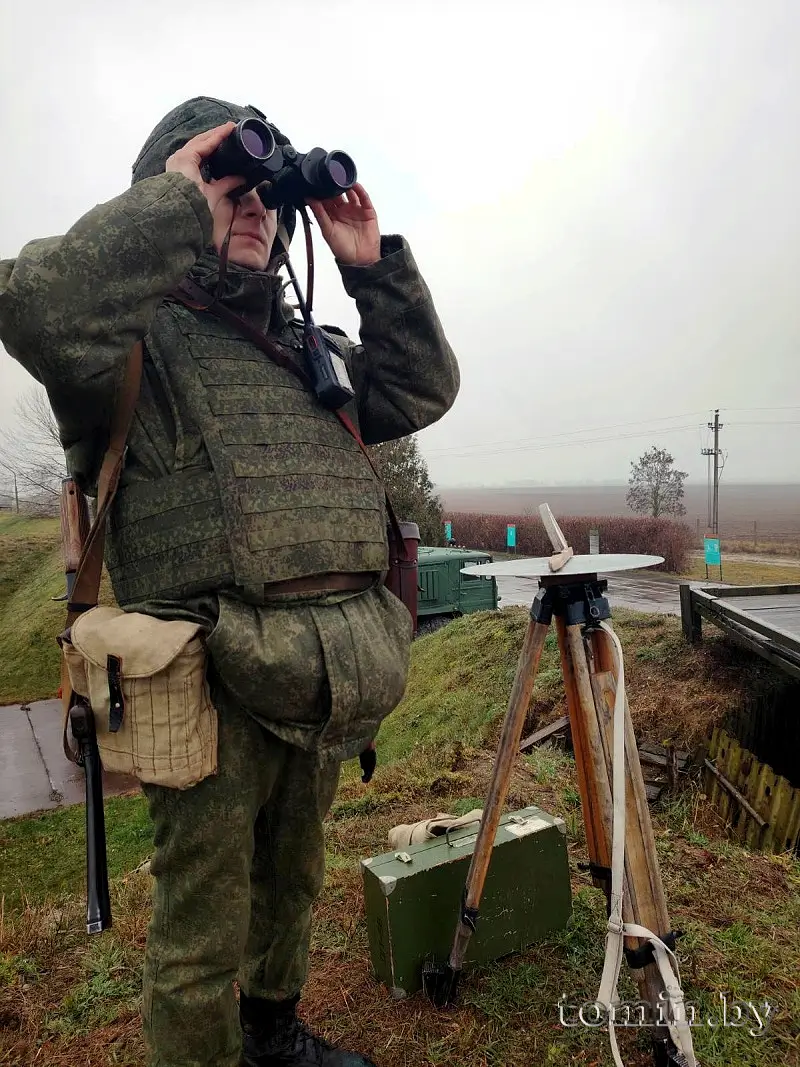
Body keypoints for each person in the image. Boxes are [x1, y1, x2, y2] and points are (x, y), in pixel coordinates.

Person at [0, 97, 459, 1067]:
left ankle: (272, 1030)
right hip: (204, 685)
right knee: (200, 922)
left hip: (324, 671)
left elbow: (418, 387)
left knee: (291, 880)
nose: (251, 206)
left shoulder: (310, 357)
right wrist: (174, 204)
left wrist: (368, 263)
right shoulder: (120, 355)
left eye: (265, 195)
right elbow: (34, 305)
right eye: (225, 188)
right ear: (167, 200)